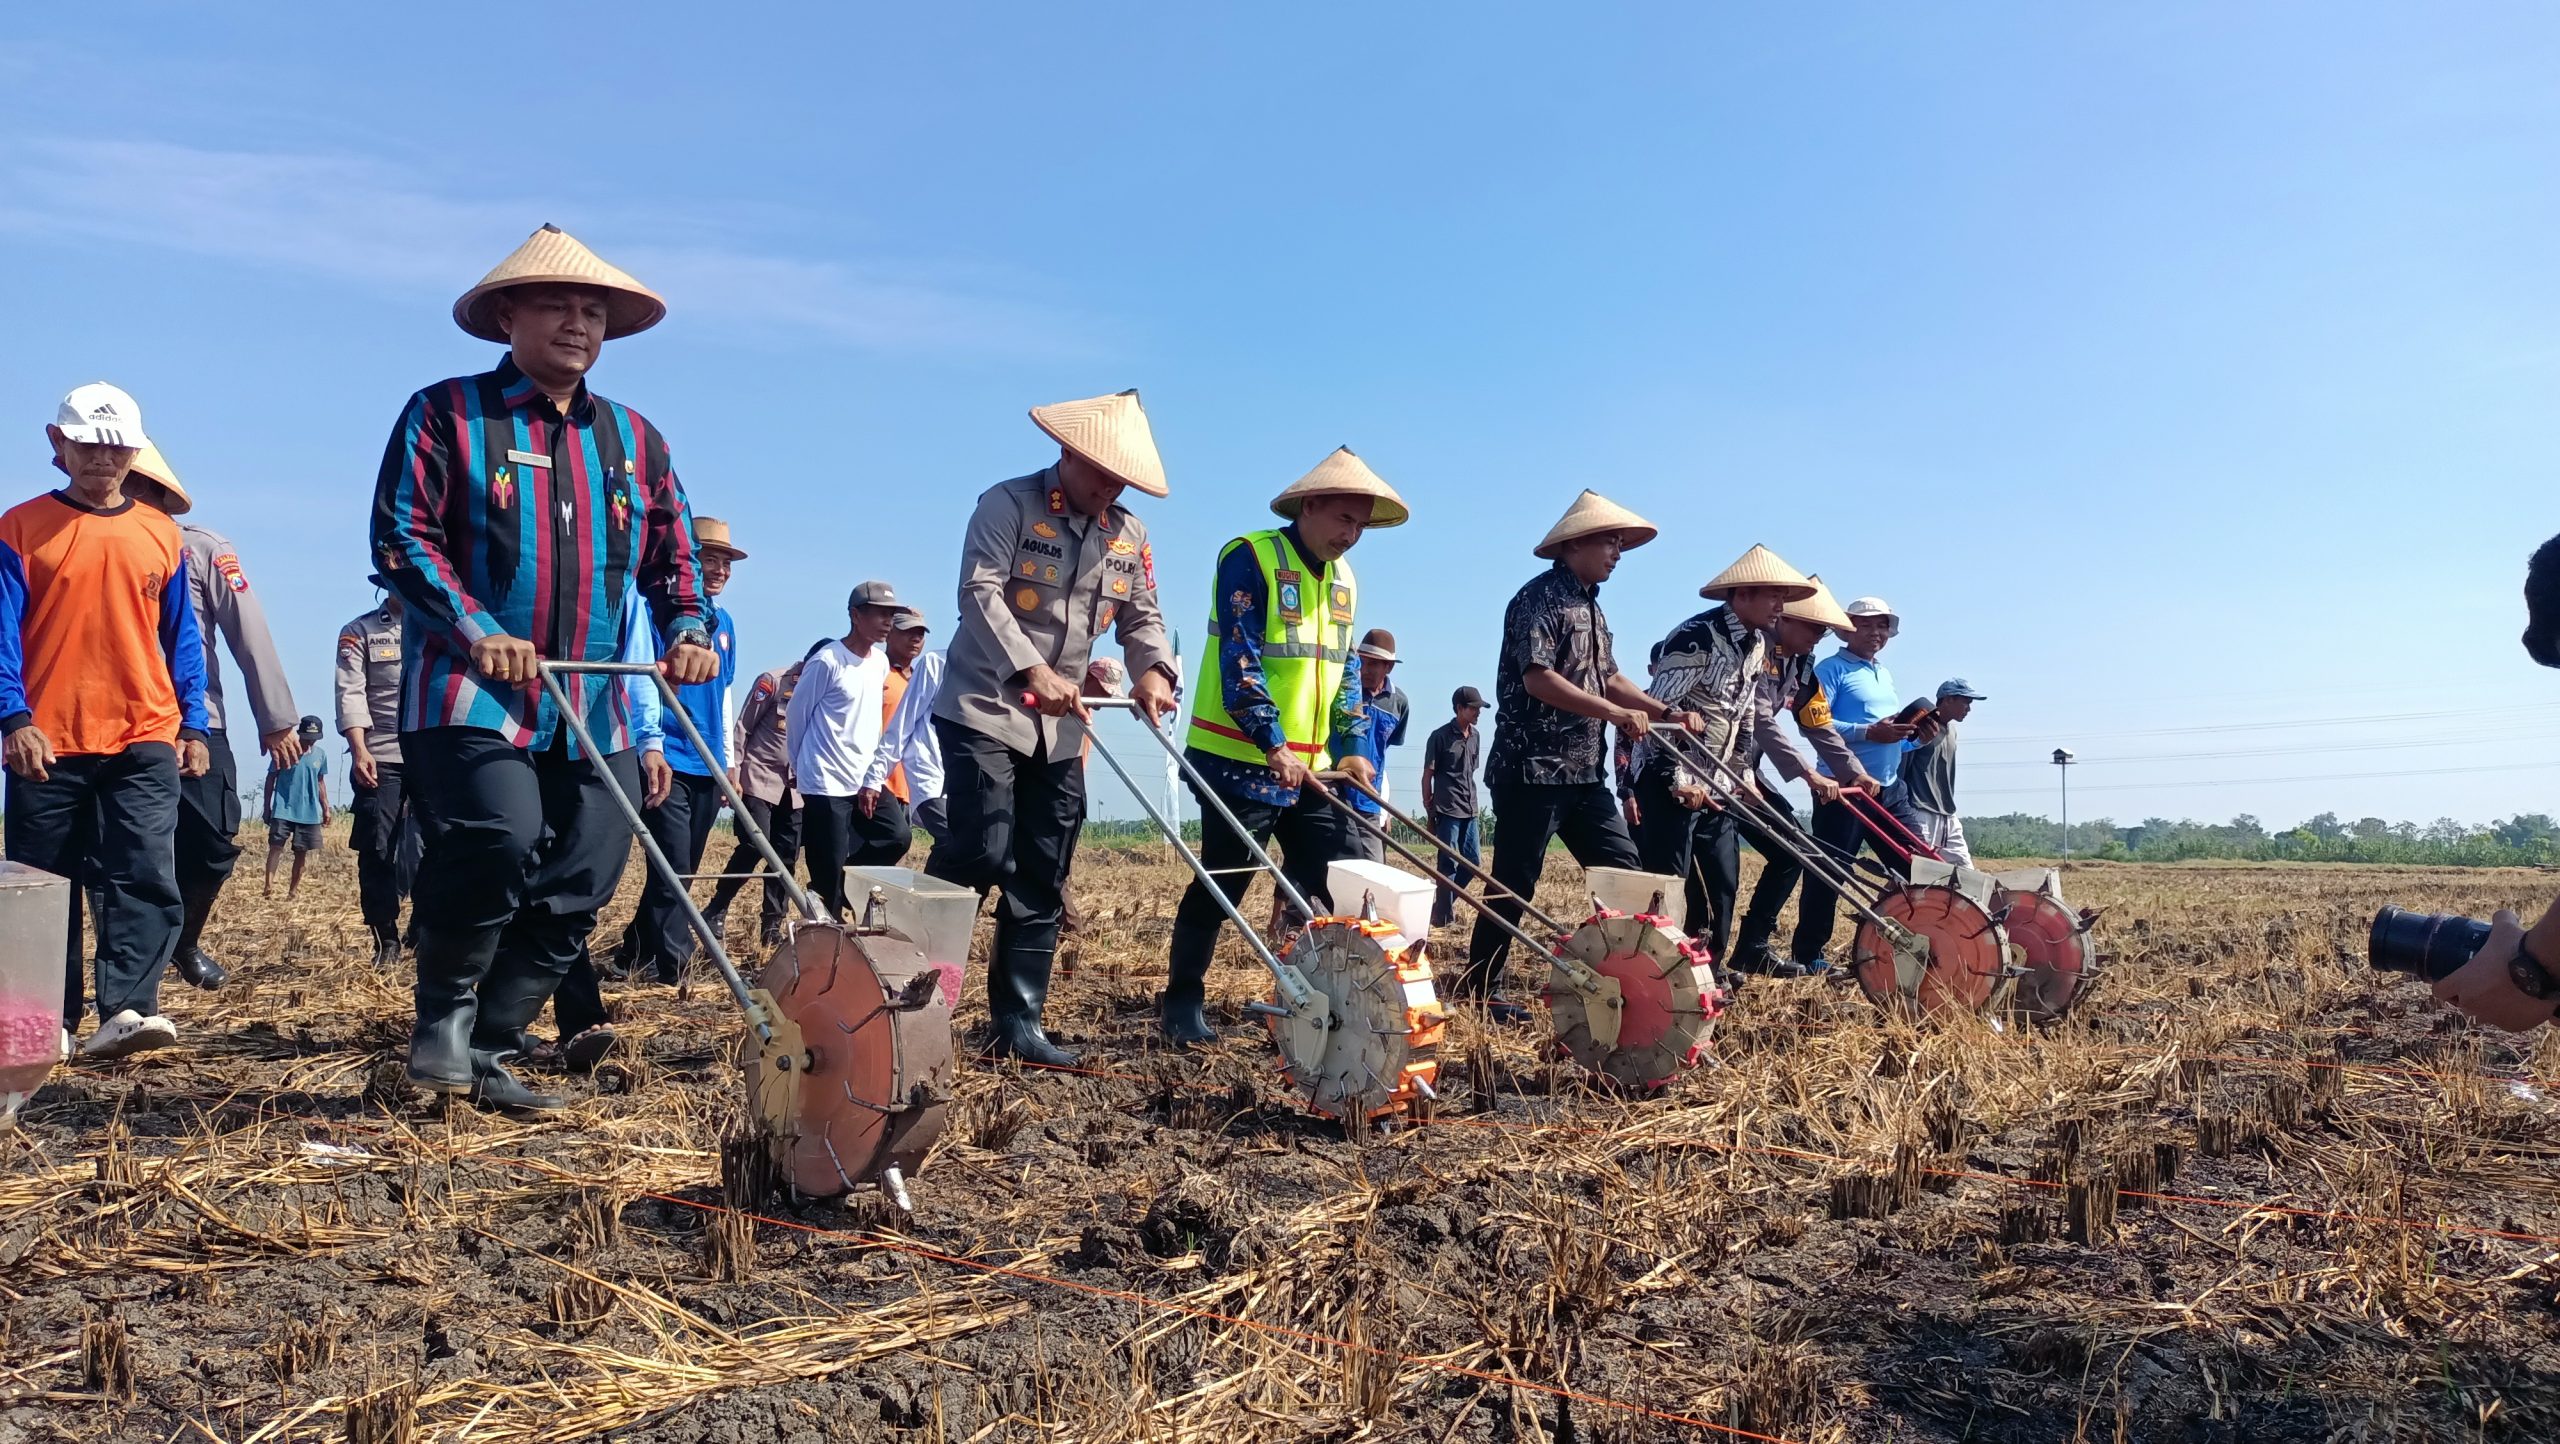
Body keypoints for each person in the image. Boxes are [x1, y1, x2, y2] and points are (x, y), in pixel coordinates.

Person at [370, 225, 713, 1112]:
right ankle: (441, 1019)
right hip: (469, 690)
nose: (577, 324)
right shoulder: (445, 414)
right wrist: (478, 625)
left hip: (591, 698)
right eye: (557, 306)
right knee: (500, 834)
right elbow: (401, 538)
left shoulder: (636, 443)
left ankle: (491, 1042)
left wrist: (688, 626)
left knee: (591, 868)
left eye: (593, 311)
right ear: (507, 316)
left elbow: (672, 558)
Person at [927, 390, 1179, 1067]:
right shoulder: (1007, 505)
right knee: (983, 849)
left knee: (1042, 868)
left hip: (1063, 730)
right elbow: (978, 593)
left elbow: (1141, 617)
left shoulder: (1129, 536)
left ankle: (1017, 1023)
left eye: (1120, 480)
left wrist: (1154, 670)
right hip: (987, 704)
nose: (1108, 489)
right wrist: (1031, 669)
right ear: (1066, 454)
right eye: (1099, 473)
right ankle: (914, 1003)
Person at [1165, 448, 1405, 1047]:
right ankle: (1181, 1001)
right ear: (1309, 505)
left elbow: (1346, 671)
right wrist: (1272, 742)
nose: (1351, 536)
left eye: (1360, 527)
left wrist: (1353, 747)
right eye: (1343, 519)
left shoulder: (1344, 579)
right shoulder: (1249, 557)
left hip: (1314, 767)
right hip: (1241, 757)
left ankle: (1317, 1004)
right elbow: (1240, 658)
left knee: (1326, 885)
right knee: (1225, 883)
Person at [1, 383, 211, 1059]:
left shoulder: (161, 534)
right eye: (89, 445)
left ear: (135, 451)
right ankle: (44, 1020)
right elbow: (1, 635)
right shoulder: (20, 528)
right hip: (47, 737)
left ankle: (127, 1008)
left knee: (144, 869)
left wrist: (195, 725)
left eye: (116, 446)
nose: (103, 459)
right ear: (58, 444)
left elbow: (183, 638)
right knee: (42, 881)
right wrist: (12, 717)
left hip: (143, 730)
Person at [1461, 490, 1699, 1023]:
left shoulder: (1593, 607)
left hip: (1585, 772)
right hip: (1533, 769)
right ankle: (1480, 988)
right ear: (1572, 545)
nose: (1617, 552)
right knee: (1515, 882)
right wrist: (1613, 715)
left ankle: (1632, 979)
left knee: (1626, 871)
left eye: (1620, 543)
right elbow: (1538, 678)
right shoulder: (1537, 600)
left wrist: (1665, 710)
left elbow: (1609, 678)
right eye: (1608, 541)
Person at [118, 444, 300, 991]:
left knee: (216, 841)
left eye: (138, 487)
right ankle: (132, 966)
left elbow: (249, 631)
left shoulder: (198, 550)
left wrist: (275, 718)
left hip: (199, 720)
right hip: (120, 724)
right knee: (127, 851)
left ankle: (184, 941)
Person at [1624, 544, 1827, 953]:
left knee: (1722, 885)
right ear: (1742, 594)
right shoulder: (1694, 637)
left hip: (1718, 784)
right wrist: (1676, 780)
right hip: (1671, 787)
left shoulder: (1756, 646)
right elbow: (1663, 717)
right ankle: (1656, 972)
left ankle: (1709, 973)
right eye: (1773, 595)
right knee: (1670, 889)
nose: (1780, 606)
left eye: (1783, 597)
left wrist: (1744, 775)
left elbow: (1746, 714)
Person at [1717, 575, 1875, 976]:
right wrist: (1807, 774)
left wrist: (1853, 773)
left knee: (1794, 851)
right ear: (1785, 618)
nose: (1820, 638)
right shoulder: (1755, 650)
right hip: (1710, 766)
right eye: (1814, 627)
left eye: (1825, 630)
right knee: (1715, 874)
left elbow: (1818, 724)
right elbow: (1762, 720)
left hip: (1745, 771)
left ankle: (1752, 946)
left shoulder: (1803, 665)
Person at [615, 517, 745, 985]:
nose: (720, 571)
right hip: (665, 752)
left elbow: (725, 691)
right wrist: (648, 743)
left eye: (726, 563)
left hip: (706, 758)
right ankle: (676, 966)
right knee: (674, 866)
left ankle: (632, 951)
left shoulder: (724, 624)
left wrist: (728, 759)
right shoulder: (655, 614)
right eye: (710, 560)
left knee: (681, 869)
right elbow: (639, 679)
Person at [1790, 595, 1926, 968]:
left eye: (1882, 625)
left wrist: (1912, 736)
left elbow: (1887, 732)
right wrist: (1869, 732)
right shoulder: (1829, 670)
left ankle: (1922, 939)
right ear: (1846, 628)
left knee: (1918, 865)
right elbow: (1815, 724)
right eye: (1866, 624)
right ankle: (1809, 954)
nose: (1876, 632)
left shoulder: (1883, 673)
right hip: (1844, 787)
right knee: (1831, 871)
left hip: (1888, 786)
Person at [790, 581, 907, 916]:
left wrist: (873, 775)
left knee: (896, 835)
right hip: (825, 779)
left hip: (863, 776)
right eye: (880, 613)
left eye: (891, 614)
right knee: (828, 870)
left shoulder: (880, 663)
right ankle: (829, 916)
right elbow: (799, 715)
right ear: (856, 615)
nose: (888, 621)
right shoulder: (828, 661)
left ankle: (842, 883)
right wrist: (801, 768)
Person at [702, 643, 817, 946]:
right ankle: (716, 907)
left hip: (793, 787)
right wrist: (733, 774)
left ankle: (771, 926)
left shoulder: (824, 693)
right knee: (755, 843)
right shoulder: (774, 681)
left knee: (786, 857)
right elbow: (742, 729)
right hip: (757, 777)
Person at [338, 579, 417, 967]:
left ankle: (426, 927)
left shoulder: (440, 627)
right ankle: (385, 938)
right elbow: (350, 692)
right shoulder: (360, 631)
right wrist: (359, 748)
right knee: (376, 846)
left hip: (432, 750)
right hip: (380, 752)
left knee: (446, 841)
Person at [864, 608, 948, 848]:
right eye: (908, 632)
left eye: (921, 633)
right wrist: (873, 774)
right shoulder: (875, 672)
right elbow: (894, 727)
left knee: (898, 847)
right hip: (877, 777)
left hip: (904, 783)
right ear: (889, 634)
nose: (916, 639)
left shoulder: (916, 678)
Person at [1418, 686, 1486, 928]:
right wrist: (1430, 811)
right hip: (1447, 808)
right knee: (1448, 864)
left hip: (1470, 807)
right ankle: (1444, 919)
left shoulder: (1476, 736)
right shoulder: (1440, 737)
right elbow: (1428, 776)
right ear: (1459, 708)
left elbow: (1472, 772)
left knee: (1473, 863)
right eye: (1474, 708)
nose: (1478, 712)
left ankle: (1438, 908)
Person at [1341, 628, 1410, 862]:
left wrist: (1384, 807)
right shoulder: (1345, 693)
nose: (1365, 670)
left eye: (1374, 664)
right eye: (1362, 661)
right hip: (1336, 789)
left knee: (1373, 868)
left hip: (1369, 798)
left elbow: (1382, 752)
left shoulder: (1399, 703)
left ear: (1388, 667)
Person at [1903, 679, 1985, 866]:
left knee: (1964, 869)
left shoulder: (1952, 730)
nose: (1968, 709)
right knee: (1914, 870)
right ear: (1947, 700)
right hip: (1920, 809)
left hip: (1947, 812)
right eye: (1965, 702)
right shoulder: (1922, 726)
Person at [261, 717, 330, 898]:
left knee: (301, 852)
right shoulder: (285, 751)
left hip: (308, 812)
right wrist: (267, 807)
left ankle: (293, 891)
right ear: (299, 733)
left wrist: (326, 808)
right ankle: (268, 888)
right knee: (276, 847)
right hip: (283, 808)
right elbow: (271, 779)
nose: (310, 741)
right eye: (307, 737)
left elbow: (320, 782)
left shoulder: (320, 755)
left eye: (313, 737)